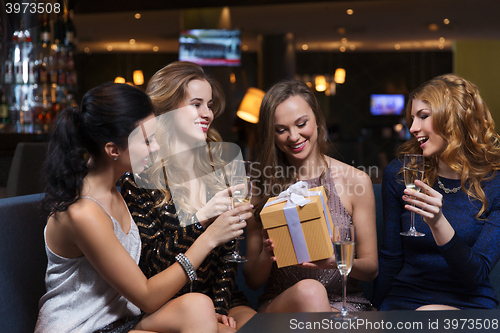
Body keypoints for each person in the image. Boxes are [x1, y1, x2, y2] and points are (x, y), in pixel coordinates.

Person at [35, 82, 251, 333]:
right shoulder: (84, 213)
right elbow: (146, 296)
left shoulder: (117, 190)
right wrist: (209, 238)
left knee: (204, 309)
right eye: (147, 141)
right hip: (83, 327)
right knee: (201, 312)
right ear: (113, 150)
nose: (157, 147)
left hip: (124, 318)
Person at [119, 61, 256, 331]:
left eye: (210, 104)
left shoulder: (219, 168)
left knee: (259, 327)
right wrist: (200, 222)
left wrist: (218, 308)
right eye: (196, 104)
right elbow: (151, 263)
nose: (207, 113)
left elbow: (229, 254)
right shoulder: (138, 178)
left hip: (220, 296)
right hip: (168, 301)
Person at [243, 79, 378, 313]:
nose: (294, 137)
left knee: (320, 300)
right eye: (281, 130)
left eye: (301, 123)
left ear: (316, 119)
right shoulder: (260, 186)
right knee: (309, 291)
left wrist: (336, 261)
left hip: (345, 304)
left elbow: (371, 269)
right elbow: (253, 281)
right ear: (272, 134)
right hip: (283, 307)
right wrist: (267, 255)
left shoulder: (356, 181)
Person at [373, 73, 500, 311]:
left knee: (429, 316)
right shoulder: (401, 174)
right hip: (404, 300)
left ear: (453, 118)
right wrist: (374, 311)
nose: (413, 128)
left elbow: (476, 275)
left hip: (469, 305)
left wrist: (438, 222)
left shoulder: (495, 183)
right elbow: (391, 257)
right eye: (412, 118)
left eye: (423, 117)